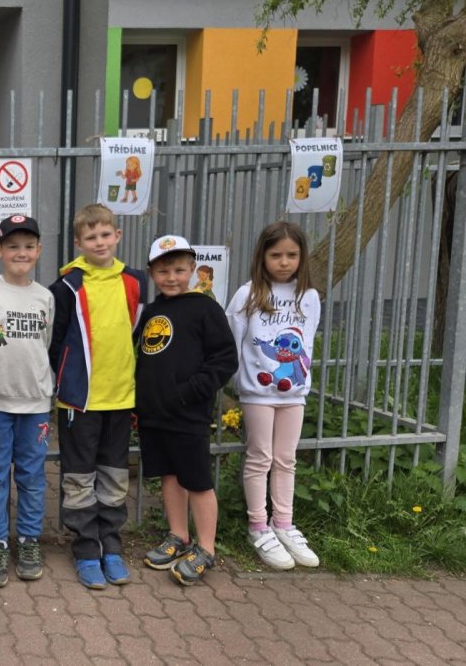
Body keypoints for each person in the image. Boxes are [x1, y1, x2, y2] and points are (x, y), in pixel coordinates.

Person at [48, 203, 147, 590]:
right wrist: (66, 380)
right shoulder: (67, 286)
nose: (100, 242)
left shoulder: (134, 282)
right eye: (91, 237)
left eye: (106, 234)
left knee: (114, 475)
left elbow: (134, 330)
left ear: (117, 236)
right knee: (78, 477)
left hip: (120, 397)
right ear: (79, 243)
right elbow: (56, 343)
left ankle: (111, 545)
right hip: (80, 401)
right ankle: (86, 548)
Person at [137, 235, 238, 586]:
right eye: (163, 271)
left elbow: (224, 359)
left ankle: (206, 548)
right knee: (168, 475)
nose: (172, 277)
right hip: (155, 414)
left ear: (193, 269)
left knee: (196, 481)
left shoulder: (205, 309)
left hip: (188, 414)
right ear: (151, 272)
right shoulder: (151, 312)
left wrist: (191, 391)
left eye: (179, 270)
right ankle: (178, 535)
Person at [226, 222, 321, 570]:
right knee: (260, 458)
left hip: (294, 394)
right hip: (257, 393)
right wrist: (242, 382)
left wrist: (300, 381)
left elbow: (307, 341)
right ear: (262, 256)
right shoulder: (248, 294)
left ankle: (283, 524)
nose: (284, 262)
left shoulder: (308, 297)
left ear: (301, 257)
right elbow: (233, 341)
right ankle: (258, 527)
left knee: (285, 459)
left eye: (292, 255)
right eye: (276, 255)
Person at [0, 215, 55, 587]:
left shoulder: (45, 297)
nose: (21, 253)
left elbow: (45, 344)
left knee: (32, 477)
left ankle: (28, 540)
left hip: (34, 402)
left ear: (38, 251)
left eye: (28, 246)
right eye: (12, 246)